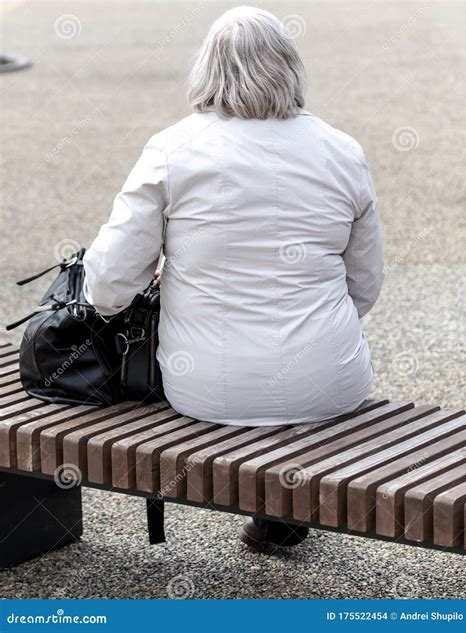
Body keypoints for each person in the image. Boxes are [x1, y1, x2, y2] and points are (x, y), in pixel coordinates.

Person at [83, 6, 384, 550]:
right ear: (291, 68)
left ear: (207, 71)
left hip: (208, 386)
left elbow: (107, 287)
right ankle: (278, 516)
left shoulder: (172, 149)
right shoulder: (344, 151)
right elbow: (364, 287)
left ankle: (273, 514)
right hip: (330, 380)